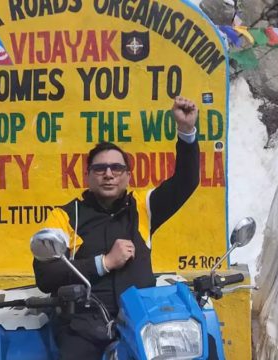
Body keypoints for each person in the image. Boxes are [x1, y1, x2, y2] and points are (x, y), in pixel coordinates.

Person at [33, 96, 201, 359]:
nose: (108, 174)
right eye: (100, 169)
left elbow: (186, 181)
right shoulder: (65, 216)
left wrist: (187, 131)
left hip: (143, 322)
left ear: (127, 176)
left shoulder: (143, 207)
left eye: (116, 168)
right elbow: (46, 275)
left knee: (203, 347)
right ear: (87, 176)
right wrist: (104, 262)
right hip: (84, 328)